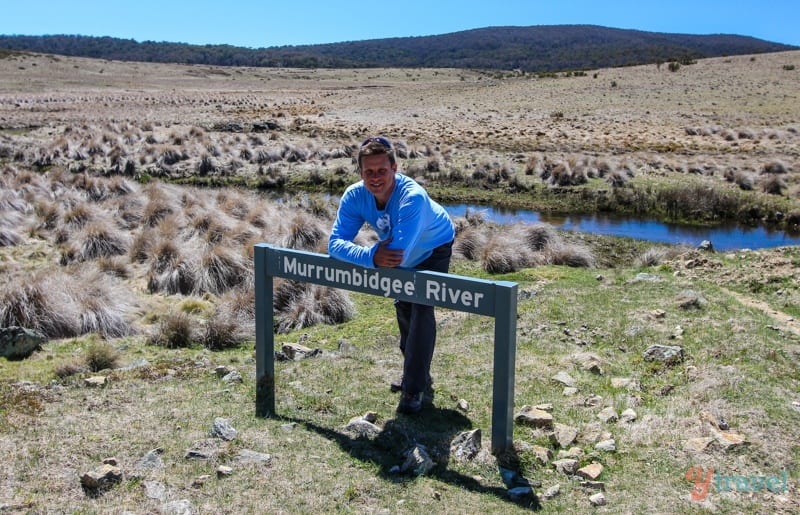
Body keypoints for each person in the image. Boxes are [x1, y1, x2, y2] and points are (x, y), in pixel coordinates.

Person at [328, 136, 455, 414]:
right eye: (369, 172)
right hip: (397, 252)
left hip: (434, 247)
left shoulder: (412, 197)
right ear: (360, 172)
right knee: (403, 307)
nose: (375, 178)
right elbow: (335, 244)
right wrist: (371, 256)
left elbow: (398, 255)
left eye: (382, 171)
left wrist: (376, 257)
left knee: (421, 307)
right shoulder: (354, 196)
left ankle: (413, 389)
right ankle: (415, 372)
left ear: (395, 168)